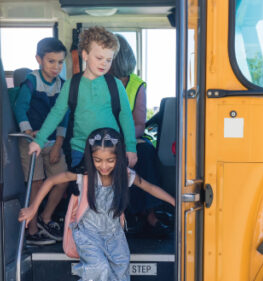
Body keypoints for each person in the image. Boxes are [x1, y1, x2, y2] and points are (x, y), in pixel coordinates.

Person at [18, 128, 175, 281]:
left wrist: (174, 201)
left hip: (114, 235)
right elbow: (51, 181)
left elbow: (148, 187)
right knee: (98, 267)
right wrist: (32, 208)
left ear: (119, 158)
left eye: (110, 160)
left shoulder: (124, 175)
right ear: (90, 158)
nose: (104, 166)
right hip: (88, 233)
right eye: (98, 160)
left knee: (120, 275)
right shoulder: (83, 176)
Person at [28, 26, 138, 175]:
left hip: (112, 150)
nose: (104, 64)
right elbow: (56, 114)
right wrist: (39, 141)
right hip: (80, 149)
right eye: (99, 58)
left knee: (110, 195)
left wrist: (131, 147)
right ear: (85, 55)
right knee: (84, 194)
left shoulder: (115, 84)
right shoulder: (72, 85)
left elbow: (125, 116)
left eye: (109, 60)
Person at [107, 34, 169, 237]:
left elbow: (139, 124)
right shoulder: (99, 82)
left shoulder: (137, 84)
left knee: (145, 152)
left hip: (129, 137)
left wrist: (125, 142)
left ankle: (149, 213)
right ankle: (126, 215)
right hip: (105, 137)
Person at [13, 37, 70, 245]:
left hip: (53, 142)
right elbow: (20, 107)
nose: (56, 67)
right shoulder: (31, 81)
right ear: (39, 59)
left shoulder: (63, 85)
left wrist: (58, 144)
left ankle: (46, 218)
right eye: (51, 61)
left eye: (60, 62)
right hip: (31, 141)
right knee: (35, 185)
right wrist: (27, 131)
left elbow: (64, 116)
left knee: (63, 180)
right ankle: (33, 229)